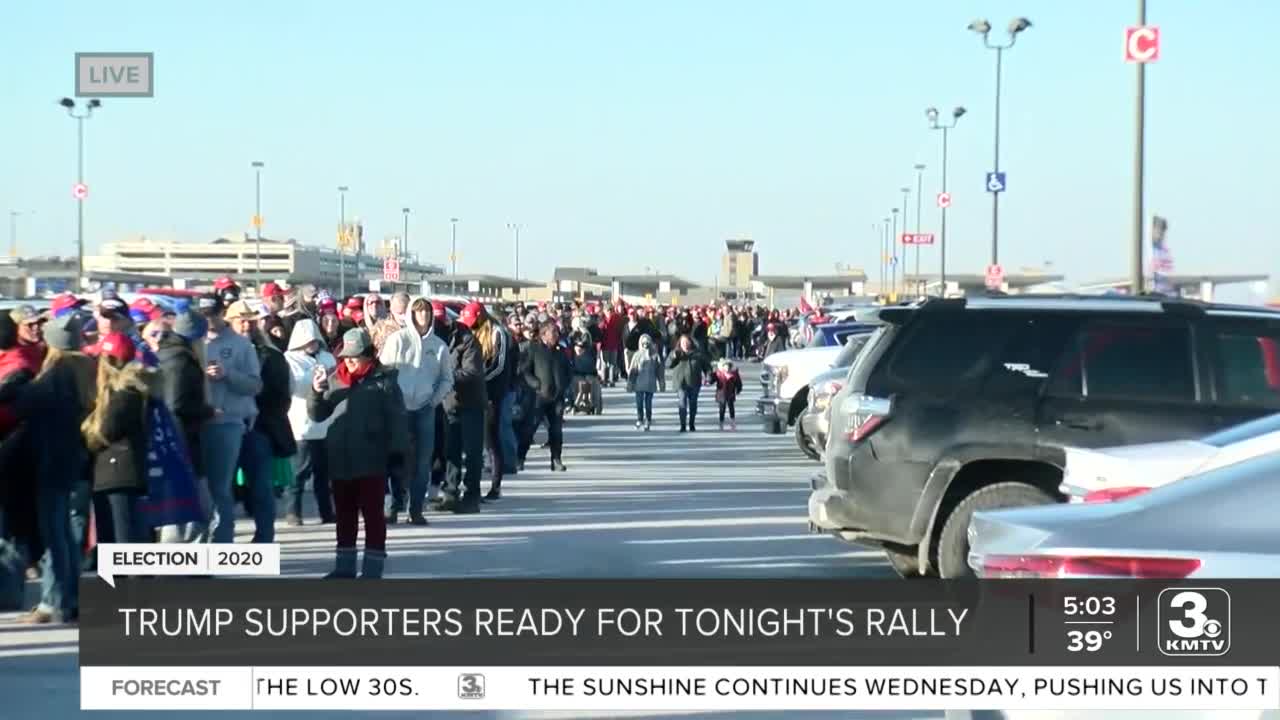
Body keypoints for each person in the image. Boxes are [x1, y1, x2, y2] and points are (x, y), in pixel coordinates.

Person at [0, 313, 95, 624]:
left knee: (55, 535)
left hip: (50, 460)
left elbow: (17, 406)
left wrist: (11, 388)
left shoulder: (54, 377)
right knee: (65, 534)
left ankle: (54, 602)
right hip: (70, 460)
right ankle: (68, 599)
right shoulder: (84, 369)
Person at [308, 328, 408, 579]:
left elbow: (397, 420)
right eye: (346, 356)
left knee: (373, 516)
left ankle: (373, 569)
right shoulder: (336, 379)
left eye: (355, 356)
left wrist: (397, 456)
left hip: (371, 459)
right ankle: (345, 567)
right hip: (340, 458)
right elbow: (317, 414)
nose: (349, 361)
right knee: (344, 515)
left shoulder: (385, 381)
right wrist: (316, 392)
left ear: (369, 354)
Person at [378, 298, 452, 524]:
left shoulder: (439, 346)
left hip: (425, 409)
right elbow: (384, 373)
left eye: (427, 312)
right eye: (419, 312)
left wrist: (433, 400)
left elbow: (446, 379)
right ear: (411, 314)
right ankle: (394, 505)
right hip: (399, 410)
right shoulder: (397, 340)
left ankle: (416, 509)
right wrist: (392, 401)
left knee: (422, 461)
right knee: (395, 459)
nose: (423, 316)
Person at [199, 295, 264, 544]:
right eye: (204, 315)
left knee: (220, 488)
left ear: (222, 314)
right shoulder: (194, 342)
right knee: (201, 490)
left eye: (213, 314)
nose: (208, 319)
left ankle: (221, 543)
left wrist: (228, 374)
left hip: (228, 422)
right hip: (197, 422)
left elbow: (255, 385)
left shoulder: (240, 345)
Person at [154, 311, 214, 543]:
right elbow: (175, 405)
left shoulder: (168, 354)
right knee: (193, 511)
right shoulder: (181, 361)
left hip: (177, 440)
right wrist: (207, 411)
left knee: (184, 511)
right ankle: (186, 566)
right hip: (183, 442)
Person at [458, 301, 515, 501]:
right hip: (472, 392)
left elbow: (499, 365)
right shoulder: (467, 334)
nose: (471, 325)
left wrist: (480, 378)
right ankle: (469, 487)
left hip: (492, 392)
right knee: (473, 441)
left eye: (474, 321)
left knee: (491, 439)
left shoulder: (497, 333)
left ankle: (495, 486)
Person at [284, 319, 337, 526]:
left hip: (324, 424)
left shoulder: (327, 357)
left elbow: (335, 380)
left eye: (314, 339)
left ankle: (326, 512)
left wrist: (327, 379)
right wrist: (315, 379)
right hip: (302, 425)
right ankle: (292, 512)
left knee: (323, 475)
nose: (311, 343)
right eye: (307, 340)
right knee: (298, 473)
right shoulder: (290, 359)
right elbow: (295, 386)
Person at [437, 303, 487, 513]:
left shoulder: (467, 340)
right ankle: (450, 493)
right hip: (449, 403)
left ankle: (472, 495)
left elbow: (472, 372)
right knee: (451, 450)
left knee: (473, 451)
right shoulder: (431, 341)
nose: (438, 325)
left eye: (441, 320)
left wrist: (445, 377)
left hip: (471, 402)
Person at [518, 322, 567, 471]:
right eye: (553, 333)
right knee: (529, 429)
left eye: (557, 332)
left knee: (556, 430)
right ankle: (520, 458)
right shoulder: (534, 349)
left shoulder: (560, 351)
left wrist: (564, 386)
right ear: (544, 334)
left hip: (556, 398)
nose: (556, 335)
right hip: (538, 398)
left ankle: (556, 460)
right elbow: (524, 371)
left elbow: (568, 370)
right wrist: (536, 384)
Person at [667, 334, 711, 433]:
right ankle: (683, 425)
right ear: (680, 344)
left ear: (691, 343)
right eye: (683, 343)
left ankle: (691, 424)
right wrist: (673, 357)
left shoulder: (698, 354)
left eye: (687, 342)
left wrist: (708, 377)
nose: (685, 344)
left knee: (693, 404)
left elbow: (707, 367)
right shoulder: (676, 353)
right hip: (681, 383)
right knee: (682, 403)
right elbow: (668, 365)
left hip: (694, 382)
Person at [626, 333, 660, 431]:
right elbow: (633, 370)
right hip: (639, 383)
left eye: (647, 342)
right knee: (639, 402)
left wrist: (661, 382)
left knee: (648, 403)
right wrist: (630, 383)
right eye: (643, 342)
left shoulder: (654, 355)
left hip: (650, 383)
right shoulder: (637, 355)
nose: (645, 344)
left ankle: (648, 420)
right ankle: (640, 419)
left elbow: (659, 370)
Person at [568, 317, 601, 415]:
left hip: (589, 370)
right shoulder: (572, 335)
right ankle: (574, 404)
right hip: (577, 370)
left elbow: (587, 343)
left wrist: (581, 343)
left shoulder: (587, 335)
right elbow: (570, 342)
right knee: (575, 383)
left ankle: (594, 404)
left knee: (592, 383)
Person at [711, 358, 744, 430]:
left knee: (731, 407)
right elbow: (711, 380)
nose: (727, 368)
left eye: (728, 367)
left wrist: (738, 390)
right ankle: (721, 422)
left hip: (730, 393)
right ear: (722, 367)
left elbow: (738, 383)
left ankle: (732, 421)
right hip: (721, 393)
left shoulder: (734, 374)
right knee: (722, 409)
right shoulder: (718, 374)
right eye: (725, 367)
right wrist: (709, 378)